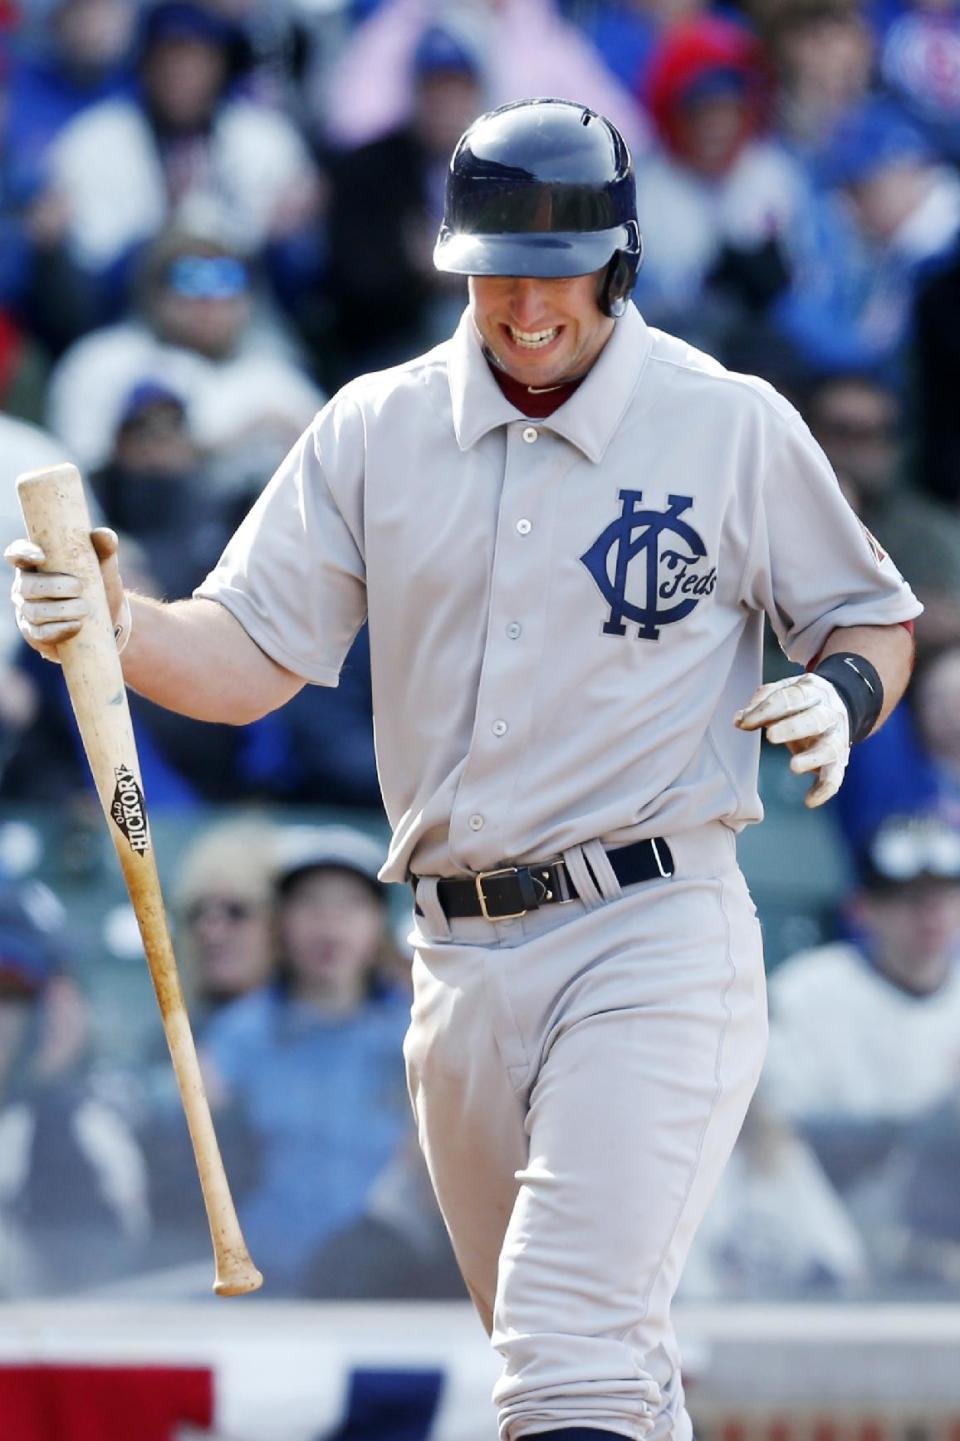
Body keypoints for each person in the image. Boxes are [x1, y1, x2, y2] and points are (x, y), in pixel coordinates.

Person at [7, 98, 920, 1441]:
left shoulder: (724, 422)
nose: (527, 303)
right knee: (595, 1366)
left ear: (618, 263)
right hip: (453, 959)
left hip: (651, 927)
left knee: (569, 1353)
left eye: (559, 272)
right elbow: (248, 654)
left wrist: (843, 695)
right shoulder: (377, 425)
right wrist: (122, 622)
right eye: (499, 269)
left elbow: (874, 615)